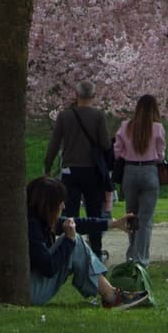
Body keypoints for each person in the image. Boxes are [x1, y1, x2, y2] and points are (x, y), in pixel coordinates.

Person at [25, 177, 148, 309]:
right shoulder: (32, 227)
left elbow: (79, 223)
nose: (63, 206)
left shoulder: (37, 219)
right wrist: (69, 240)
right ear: (47, 205)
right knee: (76, 242)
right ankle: (113, 298)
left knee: (75, 239)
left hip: (29, 288)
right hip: (30, 292)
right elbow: (48, 267)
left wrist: (113, 223)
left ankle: (112, 295)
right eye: (59, 202)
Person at [44, 83, 114, 256]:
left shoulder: (64, 116)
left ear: (76, 95)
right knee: (94, 211)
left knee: (69, 212)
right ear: (93, 96)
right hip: (92, 170)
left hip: (70, 169)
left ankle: (70, 250)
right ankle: (96, 250)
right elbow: (105, 143)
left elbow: (54, 143)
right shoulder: (99, 116)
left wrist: (47, 165)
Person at [113, 93, 167, 265]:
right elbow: (160, 155)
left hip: (129, 171)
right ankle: (141, 259)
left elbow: (117, 151)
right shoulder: (157, 128)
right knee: (145, 219)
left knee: (132, 216)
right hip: (150, 171)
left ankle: (131, 255)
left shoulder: (125, 126)